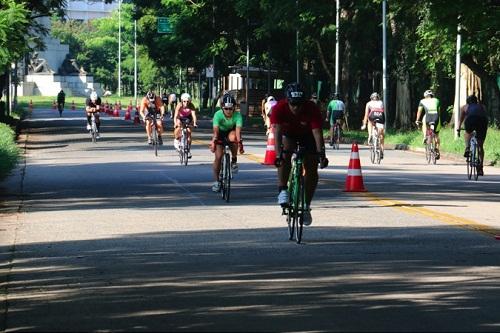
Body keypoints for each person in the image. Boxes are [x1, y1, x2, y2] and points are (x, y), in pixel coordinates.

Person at [271, 83, 328, 226]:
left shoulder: (311, 108)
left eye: (299, 104)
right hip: (289, 134)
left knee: (312, 168)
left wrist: (322, 154)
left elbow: (317, 133)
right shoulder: (279, 108)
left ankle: (306, 205)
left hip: (307, 135)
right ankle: (283, 189)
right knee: (285, 156)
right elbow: (277, 132)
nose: (296, 108)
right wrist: (278, 155)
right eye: (293, 104)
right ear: (287, 101)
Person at [209, 93, 244, 192]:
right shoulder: (218, 114)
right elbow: (215, 130)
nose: (228, 111)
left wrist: (240, 143)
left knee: (234, 138)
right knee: (218, 157)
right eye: (226, 109)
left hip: (231, 132)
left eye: (231, 108)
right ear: (222, 108)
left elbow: (238, 131)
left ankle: (233, 160)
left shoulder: (237, 115)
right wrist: (213, 141)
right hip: (220, 133)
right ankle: (216, 182)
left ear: (234, 108)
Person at [458, 94, 488, 176]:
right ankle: (480, 167)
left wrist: (458, 128)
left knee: (468, 132)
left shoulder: (465, 107)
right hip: (482, 121)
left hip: (471, 120)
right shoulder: (482, 106)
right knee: (480, 146)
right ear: (476, 101)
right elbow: (485, 115)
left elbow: (461, 119)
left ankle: (467, 148)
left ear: (468, 102)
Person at [415, 89, 441, 159]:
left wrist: (417, 120)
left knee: (424, 122)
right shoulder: (437, 100)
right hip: (436, 117)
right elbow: (439, 111)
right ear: (432, 96)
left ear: (425, 96)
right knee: (436, 134)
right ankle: (437, 149)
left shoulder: (422, 101)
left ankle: (425, 137)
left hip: (428, 117)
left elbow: (419, 111)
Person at [361, 92, 386, 158]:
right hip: (381, 116)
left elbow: (366, 114)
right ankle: (382, 150)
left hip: (372, 116)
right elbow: (382, 111)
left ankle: (370, 135)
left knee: (370, 121)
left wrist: (364, 124)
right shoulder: (381, 102)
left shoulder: (368, 103)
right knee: (381, 134)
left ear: (371, 98)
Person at [173, 93, 198, 157]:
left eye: (187, 101)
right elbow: (175, 116)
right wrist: (175, 123)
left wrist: (195, 123)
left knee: (189, 132)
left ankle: (188, 150)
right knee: (178, 127)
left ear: (190, 101)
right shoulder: (179, 105)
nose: (186, 103)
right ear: (182, 101)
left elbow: (194, 116)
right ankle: (176, 140)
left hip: (188, 118)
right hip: (180, 118)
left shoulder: (191, 106)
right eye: (184, 101)